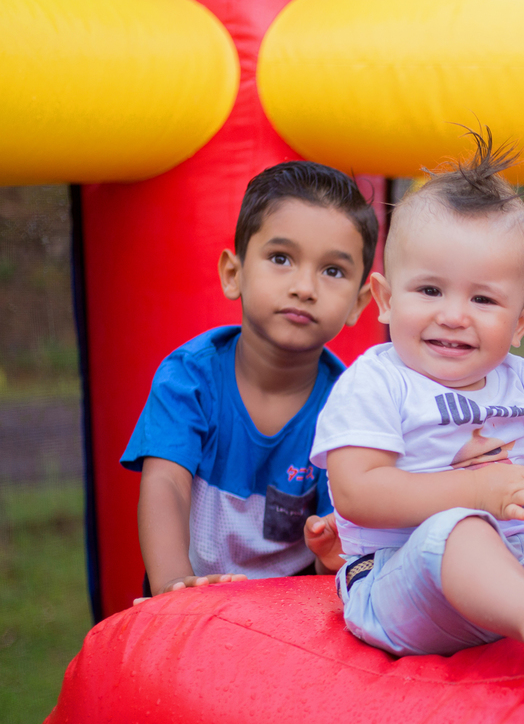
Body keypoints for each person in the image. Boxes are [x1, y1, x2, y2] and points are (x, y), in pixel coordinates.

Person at [308, 131, 524, 714]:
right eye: (430, 290)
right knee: (456, 529)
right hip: (398, 578)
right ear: (385, 299)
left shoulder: (522, 380)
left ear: (522, 322)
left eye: (484, 300)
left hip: (523, 558)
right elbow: (358, 493)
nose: (453, 315)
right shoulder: (377, 381)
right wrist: (478, 491)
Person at [121, 161, 378, 598]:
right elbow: (166, 485)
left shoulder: (351, 405)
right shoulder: (189, 379)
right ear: (233, 274)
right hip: (189, 592)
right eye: (281, 259)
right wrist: (173, 585)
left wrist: (332, 553)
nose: (304, 287)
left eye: (332, 270)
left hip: (289, 612)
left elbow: (333, 547)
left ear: (359, 302)